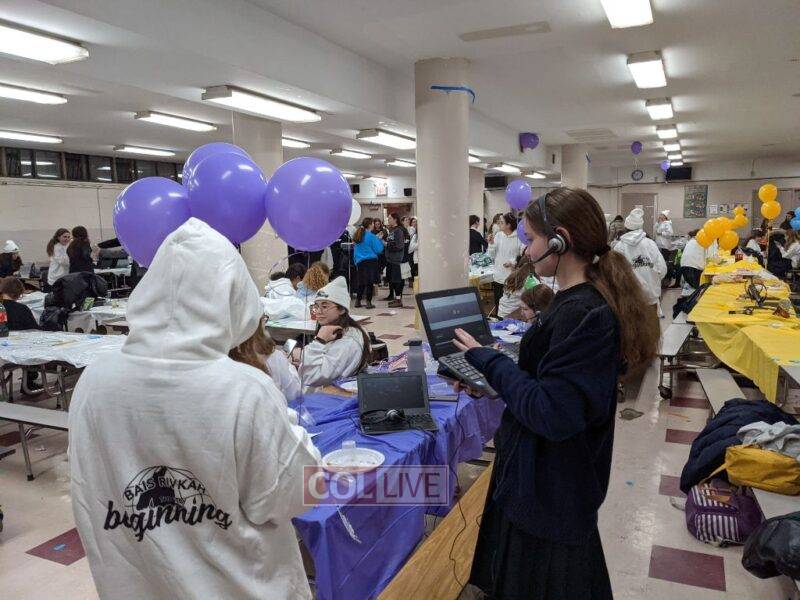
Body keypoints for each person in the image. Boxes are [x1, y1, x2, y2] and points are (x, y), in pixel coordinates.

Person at [68, 218, 321, 599]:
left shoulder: (93, 381)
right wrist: (293, 432)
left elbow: (89, 490)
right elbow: (299, 493)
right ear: (236, 299)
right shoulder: (243, 389)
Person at [452, 187, 659, 600]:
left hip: (552, 493)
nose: (526, 250)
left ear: (560, 240)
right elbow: (545, 381)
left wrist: (491, 363)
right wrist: (494, 383)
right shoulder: (571, 302)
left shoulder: (584, 313)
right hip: (540, 483)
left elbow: (552, 411)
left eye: (531, 239)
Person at [297, 277, 371, 391]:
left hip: (329, 397)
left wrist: (319, 341)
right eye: (316, 306)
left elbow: (310, 377)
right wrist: (302, 359)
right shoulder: (336, 331)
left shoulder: (348, 341)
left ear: (342, 309)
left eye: (325, 306)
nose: (318, 311)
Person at [230, 316, 302, 402]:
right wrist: (288, 365)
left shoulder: (226, 357)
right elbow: (294, 394)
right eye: (264, 318)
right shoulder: (274, 357)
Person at [614, 208, 668, 317]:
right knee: (651, 327)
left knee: (631, 327)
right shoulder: (650, 244)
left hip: (629, 300)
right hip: (651, 299)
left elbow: (616, 275)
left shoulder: (619, 247)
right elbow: (662, 269)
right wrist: (652, 282)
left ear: (626, 227)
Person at [0, 276, 41, 392]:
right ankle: (29, 380)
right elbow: (35, 331)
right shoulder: (21, 309)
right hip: (17, 350)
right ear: (19, 293)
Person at [487, 212, 525, 315]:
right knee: (498, 303)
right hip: (498, 276)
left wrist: (513, 262)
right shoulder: (499, 235)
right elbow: (491, 255)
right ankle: (498, 321)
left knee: (511, 306)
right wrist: (491, 244)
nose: (499, 224)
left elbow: (523, 256)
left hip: (511, 278)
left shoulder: (519, 237)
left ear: (509, 225)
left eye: (501, 222)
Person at [353, 217, 383, 309]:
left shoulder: (358, 235)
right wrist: (379, 239)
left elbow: (355, 250)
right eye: (373, 223)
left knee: (361, 282)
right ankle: (368, 303)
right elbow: (378, 249)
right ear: (370, 225)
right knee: (369, 282)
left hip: (360, 262)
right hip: (370, 262)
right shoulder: (371, 236)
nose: (374, 225)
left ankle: (357, 301)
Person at [383, 213, 408, 308]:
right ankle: (397, 299)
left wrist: (386, 245)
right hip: (390, 259)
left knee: (397, 281)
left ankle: (398, 300)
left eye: (390, 218)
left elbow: (399, 246)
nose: (388, 220)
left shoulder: (399, 231)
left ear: (395, 219)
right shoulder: (392, 230)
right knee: (392, 281)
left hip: (396, 259)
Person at [655, 210, 676, 285]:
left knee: (665, 261)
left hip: (664, 246)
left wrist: (661, 233)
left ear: (665, 216)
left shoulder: (667, 223)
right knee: (660, 261)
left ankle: (667, 278)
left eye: (661, 215)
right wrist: (657, 222)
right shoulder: (660, 223)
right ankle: (663, 278)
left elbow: (670, 233)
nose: (660, 216)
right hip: (659, 245)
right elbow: (655, 229)